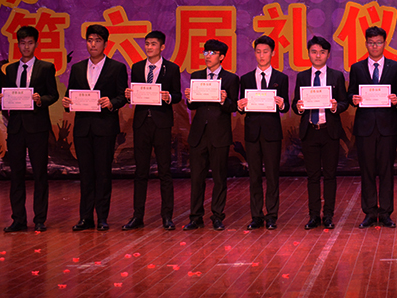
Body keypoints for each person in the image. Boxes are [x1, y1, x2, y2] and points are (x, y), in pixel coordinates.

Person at [62, 24, 128, 231]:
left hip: (105, 128)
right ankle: (85, 218)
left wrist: (112, 102)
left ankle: (102, 217)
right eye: (90, 40)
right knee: (86, 174)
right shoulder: (78, 68)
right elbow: (70, 94)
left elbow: (122, 96)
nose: (93, 44)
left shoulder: (116, 67)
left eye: (97, 41)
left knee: (103, 173)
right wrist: (66, 103)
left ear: (105, 44)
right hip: (83, 129)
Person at [0, 26, 58, 232]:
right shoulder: (10, 69)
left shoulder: (46, 67)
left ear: (36, 44)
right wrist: (2, 98)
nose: (26, 47)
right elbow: (8, 94)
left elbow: (54, 95)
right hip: (16, 127)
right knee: (16, 174)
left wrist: (40, 100)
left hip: (37, 126)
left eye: (30, 43)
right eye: (22, 43)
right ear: (18, 45)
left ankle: (40, 218)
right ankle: (18, 219)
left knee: (40, 173)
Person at [123, 30, 182, 231]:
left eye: (153, 44)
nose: (149, 47)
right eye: (147, 43)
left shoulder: (172, 69)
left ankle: (167, 216)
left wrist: (169, 97)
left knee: (164, 171)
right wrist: (129, 94)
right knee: (140, 171)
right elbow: (135, 93)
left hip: (162, 124)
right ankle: (137, 215)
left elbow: (177, 95)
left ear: (162, 47)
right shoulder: (137, 67)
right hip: (141, 123)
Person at [348, 26, 397, 229]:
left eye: (378, 42)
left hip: (388, 127)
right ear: (366, 44)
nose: (375, 46)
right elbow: (350, 94)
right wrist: (353, 99)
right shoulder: (357, 68)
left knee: (387, 170)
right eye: (371, 43)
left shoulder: (395, 67)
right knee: (367, 171)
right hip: (365, 128)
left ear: (384, 43)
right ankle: (370, 212)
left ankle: (386, 212)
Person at [293, 36, 349, 230]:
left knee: (330, 175)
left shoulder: (336, 76)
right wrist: (299, 107)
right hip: (310, 131)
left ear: (328, 54)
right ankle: (314, 216)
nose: (318, 56)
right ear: (309, 53)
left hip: (329, 131)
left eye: (322, 52)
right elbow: (295, 104)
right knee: (313, 176)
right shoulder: (302, 77)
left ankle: (329, 215)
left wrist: (335, 106)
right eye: (314, 52)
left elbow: (344, 102)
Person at [182, 39, 239, 231]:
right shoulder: (196, 76)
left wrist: (224, 100)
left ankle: (217, 216)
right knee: (196, 178)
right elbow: (192, 105)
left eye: (212, 53)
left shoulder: (231, 79)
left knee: (219, 178)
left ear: (221, 57)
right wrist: (189, 98)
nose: (208, 56)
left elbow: (233, 107)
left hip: (219, 134)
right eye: (206, 52)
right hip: (199, 133)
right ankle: (195, 217)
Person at [237, 35, 290, 230]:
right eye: (258, 52)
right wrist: (240, 106)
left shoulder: (281, 78)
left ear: (273, 53)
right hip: (252, 133)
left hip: (272, 133)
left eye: (265, 51)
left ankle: (272, 215)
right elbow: (242, 107)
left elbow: (286, 106)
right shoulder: (245, 79)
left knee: (272, 176)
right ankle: (256, 216)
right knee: (254, 176)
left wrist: (282, 104)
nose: (261, 55)